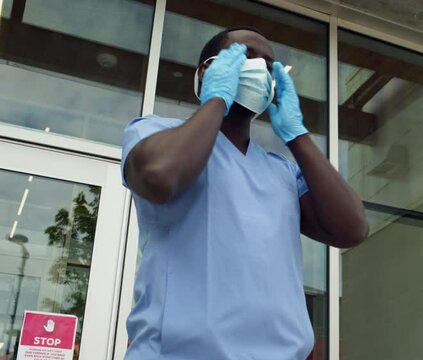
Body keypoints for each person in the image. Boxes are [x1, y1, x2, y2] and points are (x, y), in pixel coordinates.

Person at [121, 26, 368, 359]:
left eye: (268, 66)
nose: (260, 70)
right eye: (245, 57)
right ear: (208, 71)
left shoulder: (281, 170)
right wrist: (217, 99)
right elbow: (158, 175)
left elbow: (352, 228)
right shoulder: (156, 133)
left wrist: (296, 135)